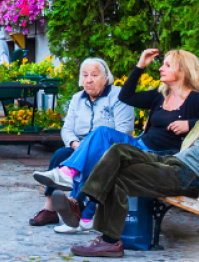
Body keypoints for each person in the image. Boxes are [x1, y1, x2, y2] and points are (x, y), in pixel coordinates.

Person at [65, 60, 199, 257]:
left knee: (118, 175)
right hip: (177, 162)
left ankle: (104, 235)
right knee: (118, 150)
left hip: (191, 176)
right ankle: (84, 207)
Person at [35, 47, 199, 233]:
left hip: (163, 158)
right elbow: (126, 96)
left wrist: (192, 124)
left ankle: (81, 209)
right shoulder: (159, 95)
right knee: (102, 134)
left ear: (183, 70)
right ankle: (72, 183)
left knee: (101, 156)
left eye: (167, 65)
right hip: (140, 147)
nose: (161, 68)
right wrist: (140, 65)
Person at [29, 59, 135, 226]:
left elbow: (124, 132)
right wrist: (75, 144)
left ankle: (76, 208)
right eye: (85, 75)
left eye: (94, 75)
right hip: (78, 147)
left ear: (106, 77)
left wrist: (89, 148)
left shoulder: (118, 96)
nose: (89, 80)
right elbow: (67, 129)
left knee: (90, 158)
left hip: (108, 149)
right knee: (60, 155)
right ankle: (50, 209)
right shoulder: (77, 99)